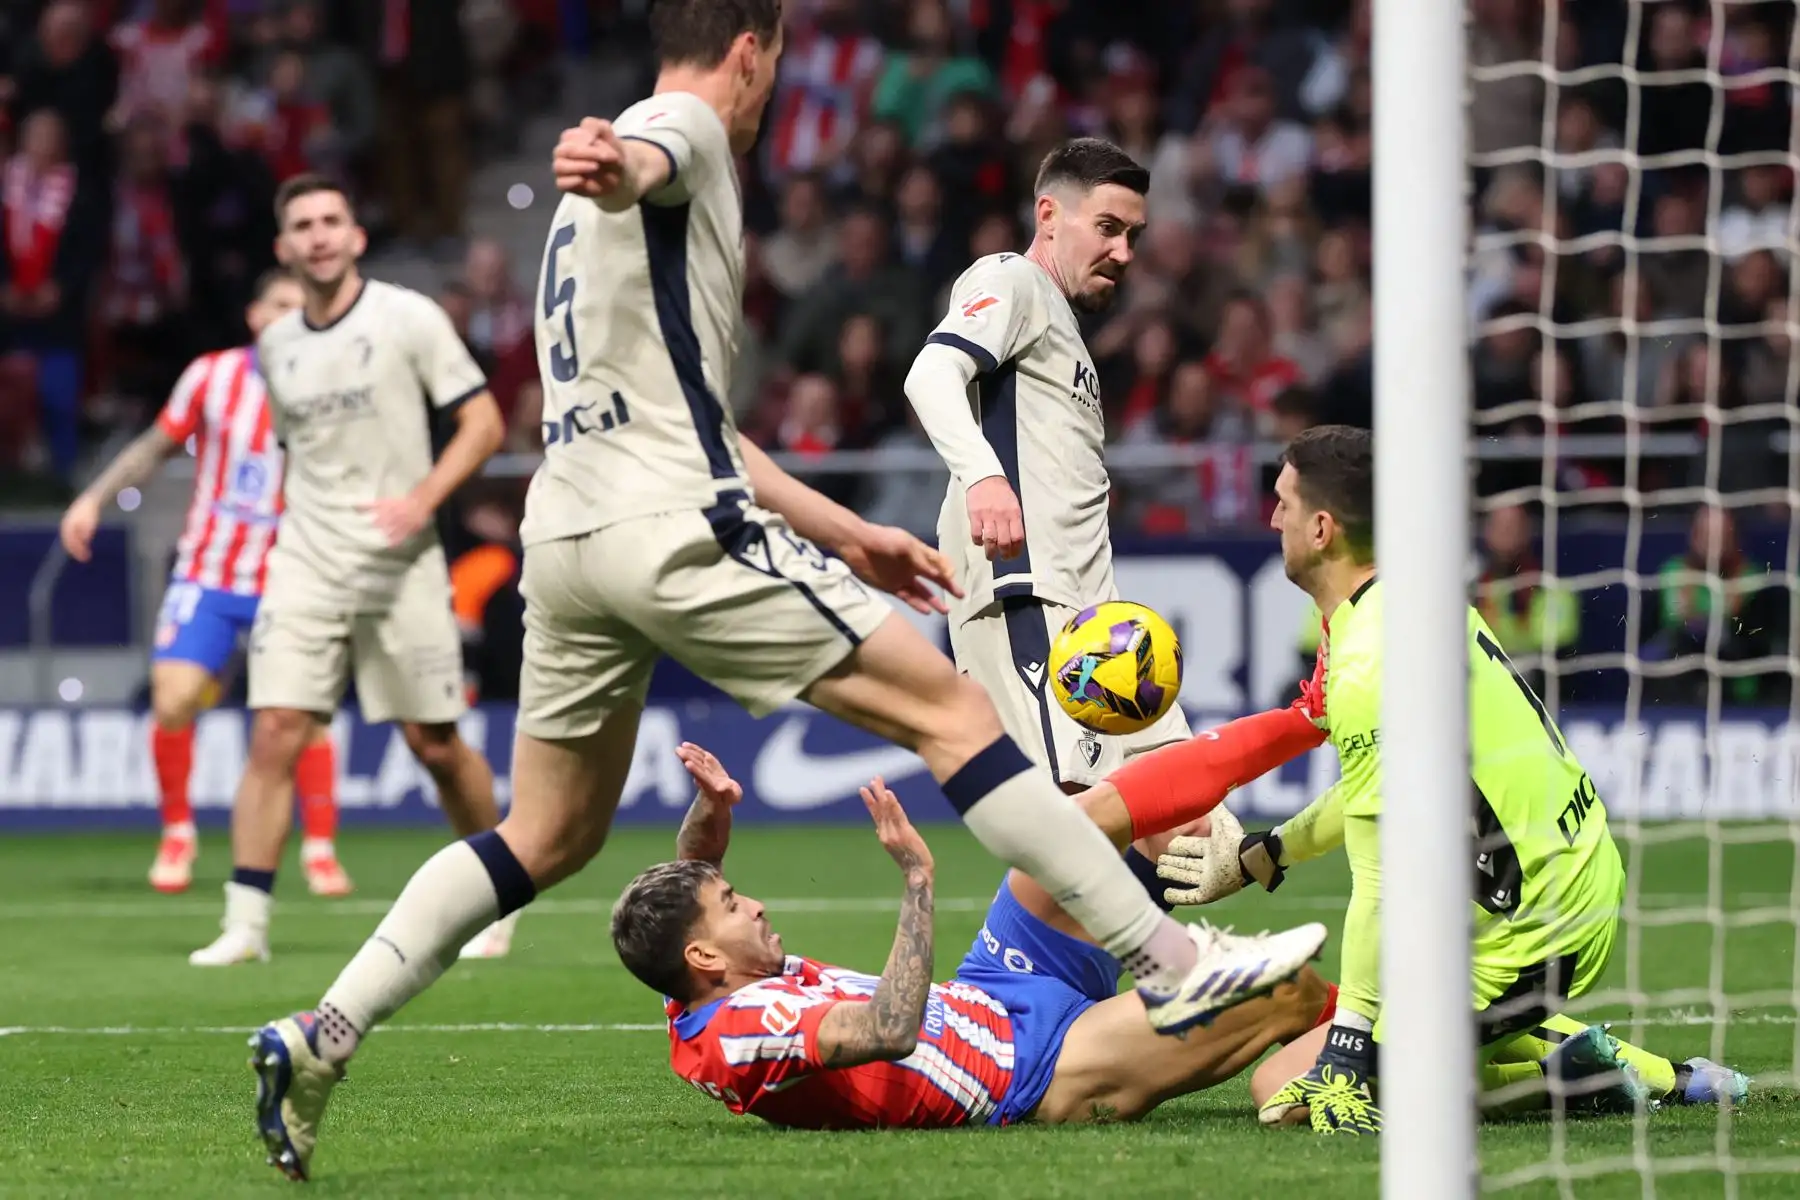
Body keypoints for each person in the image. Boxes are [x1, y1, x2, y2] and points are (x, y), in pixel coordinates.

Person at [243, 1, 1325, 1181]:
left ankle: (324, 1031)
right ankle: (1172, 961)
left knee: (542, 833)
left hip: (568, 526)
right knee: (954, 718)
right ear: (749, 51)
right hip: (669, 520)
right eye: (771, 76)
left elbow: (698, 411)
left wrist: (849, 531)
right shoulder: (691, 129)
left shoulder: (568, 226)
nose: (765, 107)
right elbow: (653, 161)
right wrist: (626, 160)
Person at [1152, 425, 1748, 1133]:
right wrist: (1270, 851)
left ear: (1321, 528)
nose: (1270, 517)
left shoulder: (1367, 659)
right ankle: (1665, 1077)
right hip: (1565, 884)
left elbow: (1376, 882)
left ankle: (1568, 1084)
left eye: (1282, 501)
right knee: (1430, 1028)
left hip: (1527, 929)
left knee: (1282, 1091)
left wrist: (1348, 1047)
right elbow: (1387, 783)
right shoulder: (1415, 606)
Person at [617, 742, 1333, 1130]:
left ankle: (1308, 718)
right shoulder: (741, 1031)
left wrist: (713, 808)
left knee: (1104, 822)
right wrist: (918, 885)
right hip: (1038, 1069)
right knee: (1285, 988)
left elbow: (695, 867)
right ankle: (1378, 1039)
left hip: (994, 991)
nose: (758, 906)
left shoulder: (689, 986)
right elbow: (890, 1030)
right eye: (735, 906)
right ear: (704, 956)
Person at [189, 175, 513, 969]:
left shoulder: (408, 317)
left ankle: (501, 891)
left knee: (435, 744)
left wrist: (425, 498)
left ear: (356, 236)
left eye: (333, 219)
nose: (320, 234)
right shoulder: (278, 345)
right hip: (307, 561)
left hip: (402, 562)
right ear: (284, 247)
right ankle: (246, 924)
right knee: (275, 730)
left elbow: (484, 421)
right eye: (303, 224)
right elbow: (298, 455)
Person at [904, 137, 1227, 791]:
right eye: (1107, 228)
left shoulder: (1065, 330)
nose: (1123, 253)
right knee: (1072, 822)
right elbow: (931, 372)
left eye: (1134, 235)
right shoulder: (1011, 279)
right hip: (1028, 595)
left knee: (1185, 809)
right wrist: (984, 475)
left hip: (1092, 616)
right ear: (1049, 216)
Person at [59, 268, 352, 899]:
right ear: (254, 314)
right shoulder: (212, 376)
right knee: (173, 699)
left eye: (302, 307)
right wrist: (93, 499)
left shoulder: (333, 385)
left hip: (293, 574)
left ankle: (321, 849)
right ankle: (177, 832)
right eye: (280, 304)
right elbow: (155, 446)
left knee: (307, 716)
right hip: (210, 572)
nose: (290, 316)